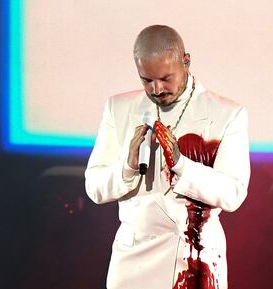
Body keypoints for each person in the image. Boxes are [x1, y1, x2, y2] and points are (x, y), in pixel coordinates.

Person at [85, 25, 250, 289]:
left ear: (186, 61)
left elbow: (233, 194)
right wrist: (127, 167)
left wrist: (182, 165)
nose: (157, 89)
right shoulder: (119, 108)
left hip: (195, 255)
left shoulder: (227, 114)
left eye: (165, 78)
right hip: (133, 259)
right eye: (146, 80)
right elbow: (94, 188)